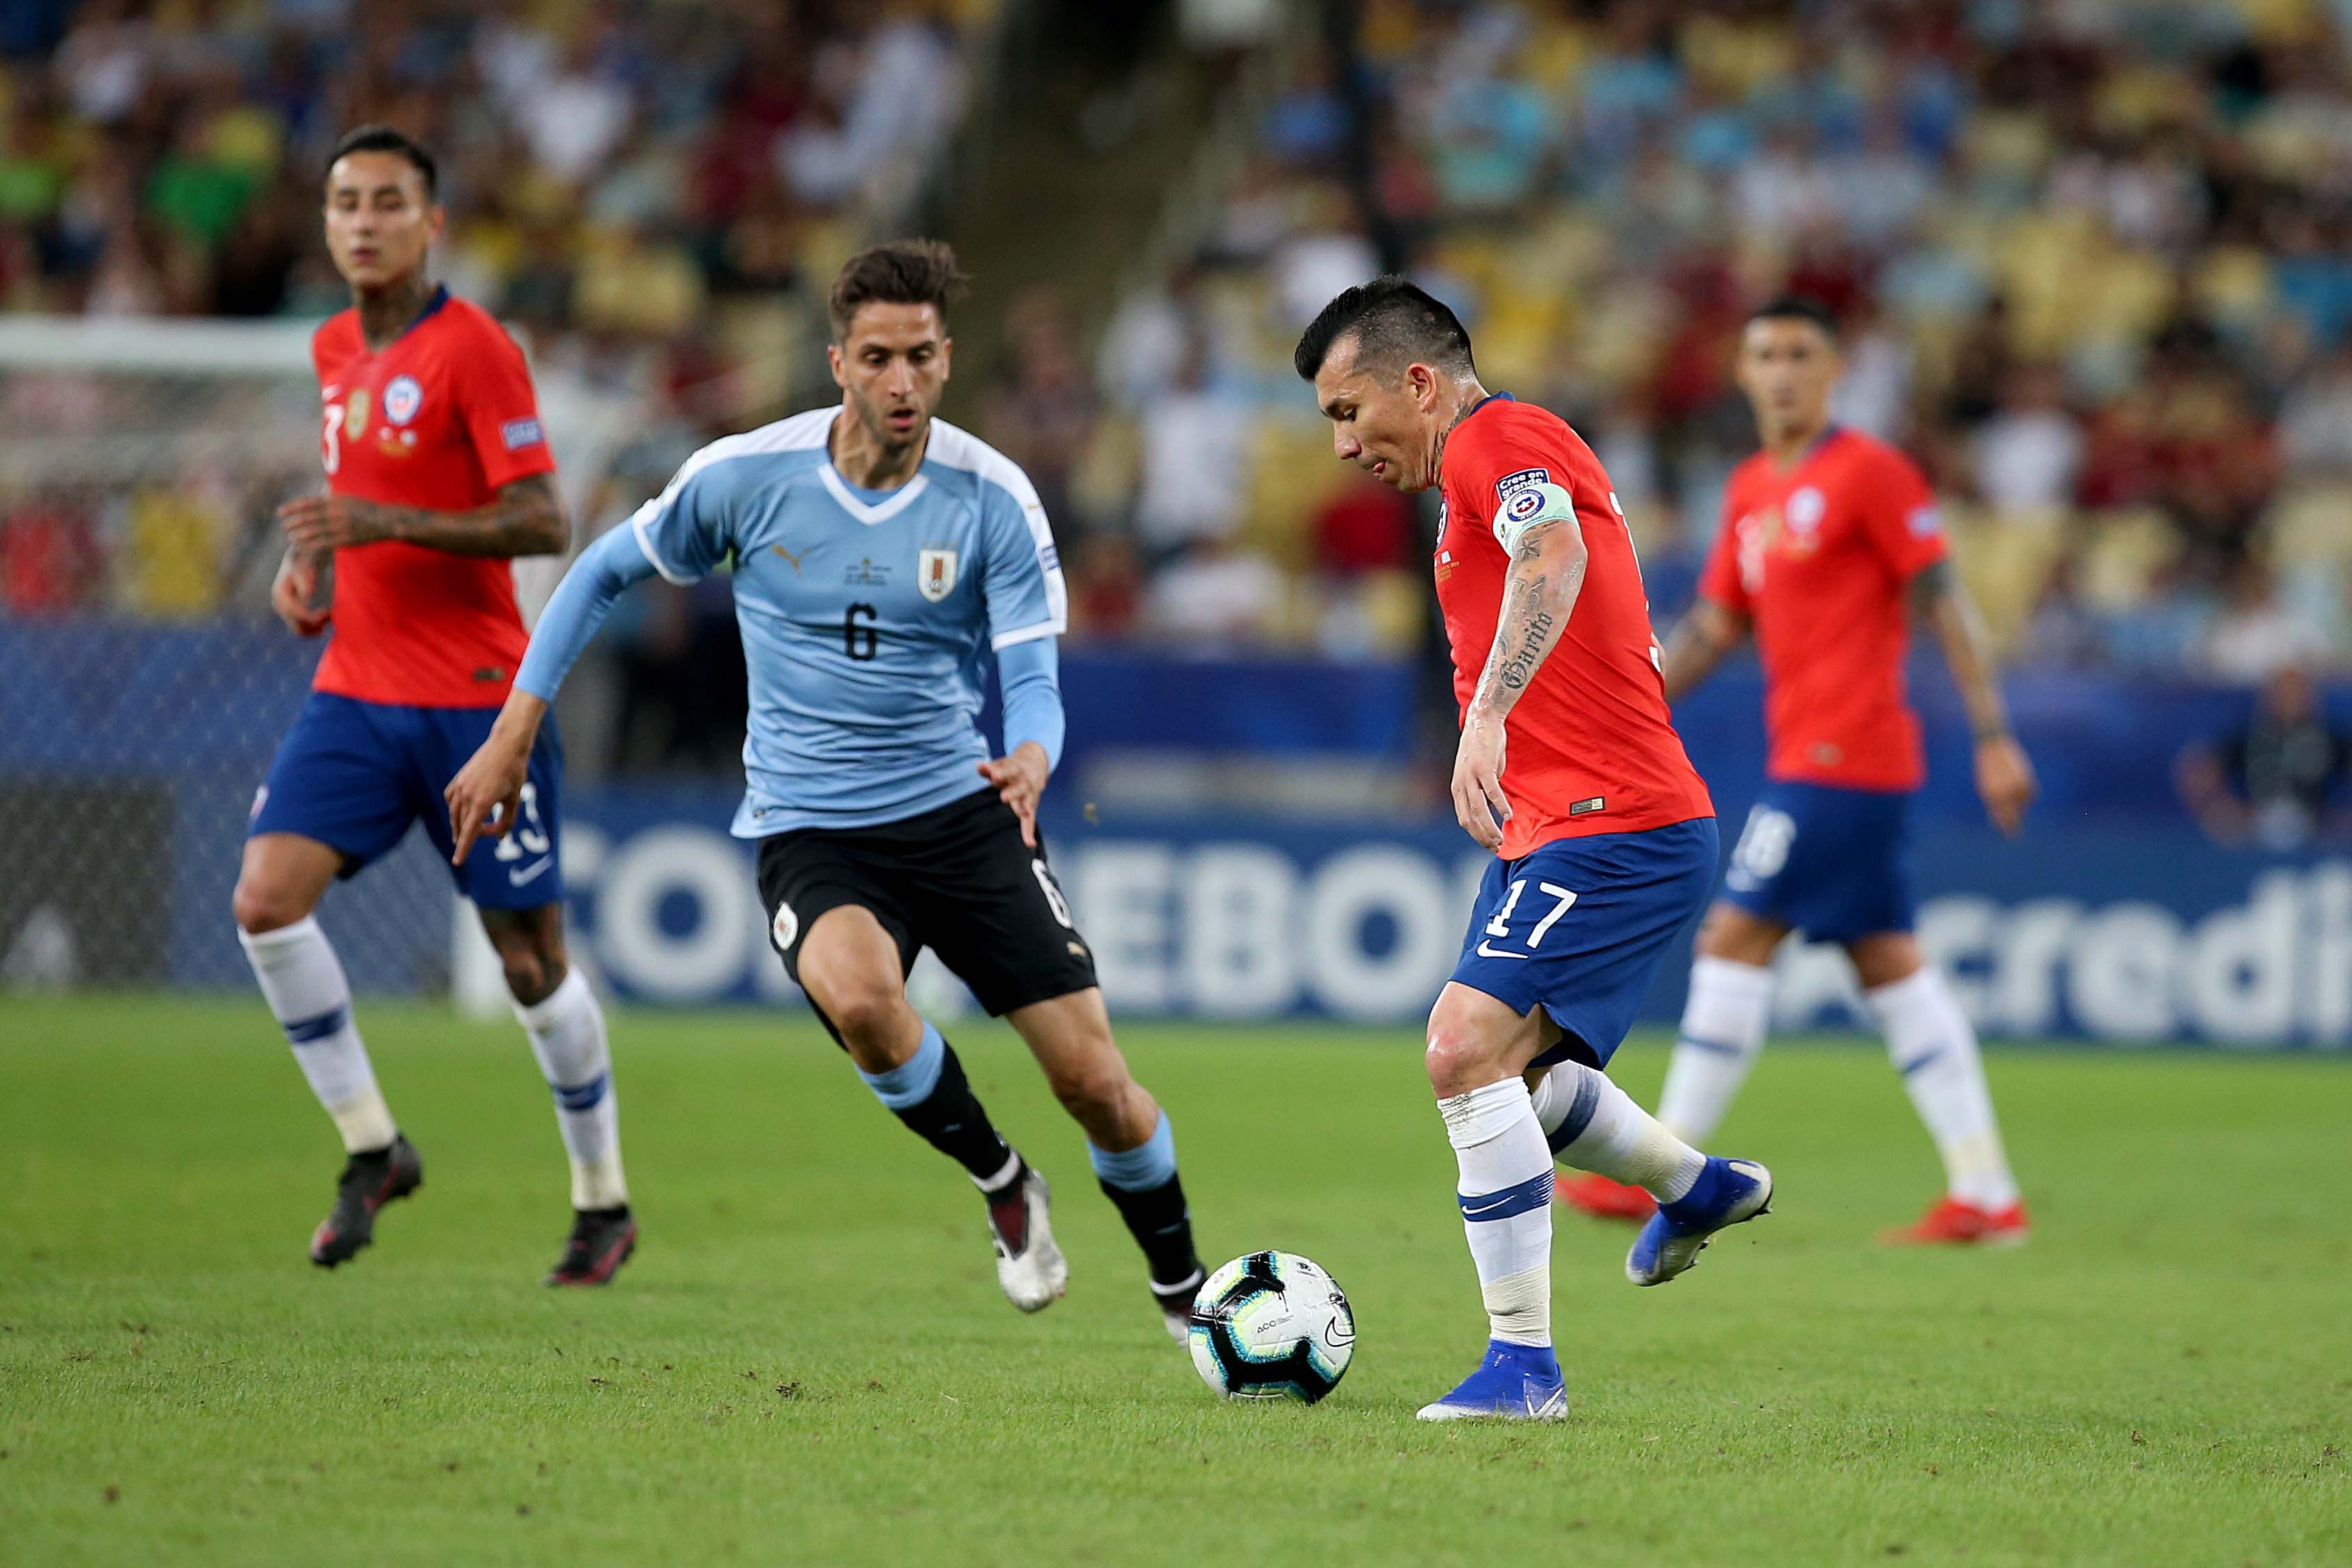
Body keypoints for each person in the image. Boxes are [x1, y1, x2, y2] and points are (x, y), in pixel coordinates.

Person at [447, 240, 1206, 1340]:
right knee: (859, 1001)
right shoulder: (747, 478)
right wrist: (516, 724)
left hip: (963, 813)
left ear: (947, 361)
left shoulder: (991, 497)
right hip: (814, 826)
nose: (901, 382)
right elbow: (604, 567)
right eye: (878, 357)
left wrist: (1033, 753)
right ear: (838, 361)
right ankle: (1001, 1180)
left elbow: (1032, 675)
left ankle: (1185, 1293)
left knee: (1094, 1082)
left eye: (922, 358)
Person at [1297, 277, 1770, 1423]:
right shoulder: (1471, 474)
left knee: (1461, 1048)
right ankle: (1695, 1185)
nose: (1347, 442)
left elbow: (1550, 552)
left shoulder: (1494, 438)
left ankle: (1525, 1368)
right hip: (1567, 825)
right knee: (1517, 1074)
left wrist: (1490, 713)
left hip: (1619, 824)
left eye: (1350, 410)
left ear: (1419, 380)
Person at [233, 126, 635, 1285]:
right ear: (326, 222)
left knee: (528, 962)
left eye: (388, 202)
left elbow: (543, 520)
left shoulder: (477, 350)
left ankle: (601, 1198)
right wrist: (315, 574)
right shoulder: (328, 349)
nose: (363, 220)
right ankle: (373, 1145)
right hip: (355, 689)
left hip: (474, 701)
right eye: (345, 201)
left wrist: (381, 527)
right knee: (264, 900)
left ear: (432, 221)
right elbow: (357, 509)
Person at [1560, 296, 2036, 1246]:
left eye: (1800, 353)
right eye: (1764, 354)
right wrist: (1626, 702)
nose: (1780, 370)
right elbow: (1713, 628)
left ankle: (1668, 1169)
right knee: (1889, 962)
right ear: (1742, 374)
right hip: (1814, 758)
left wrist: (1992, 732)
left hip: (1847, 756)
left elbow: (1943, 603)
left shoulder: (1870, 472)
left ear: (1836, 369)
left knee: (1735, 936)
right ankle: (1986, 1192)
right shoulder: (1746, 491)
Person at [2176, 663, 2351, 850]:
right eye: (2284, 692)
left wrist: (2339, 817)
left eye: (2297, 692)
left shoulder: (2329, 738)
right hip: (2254, 824)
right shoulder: (2249, 737)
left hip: (2315, 826)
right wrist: (2224, 808)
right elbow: (2197, 769)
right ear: (2270, 697)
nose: (2291, 699)